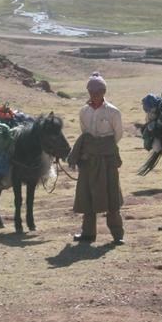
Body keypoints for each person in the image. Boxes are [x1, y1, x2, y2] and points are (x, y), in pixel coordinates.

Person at [68, 72, 125, 245]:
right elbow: (85, 133)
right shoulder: (83, 111)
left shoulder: (113, 111)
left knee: (112, 196)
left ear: (104, 91)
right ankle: (88, 234)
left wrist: (103, 149)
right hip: (88, 159)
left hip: (107, 159)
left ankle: (117, 235)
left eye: (98, 90)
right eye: (91, 90)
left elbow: (118, 134)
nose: (95, 93)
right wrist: (92, 150)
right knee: (87, 195)